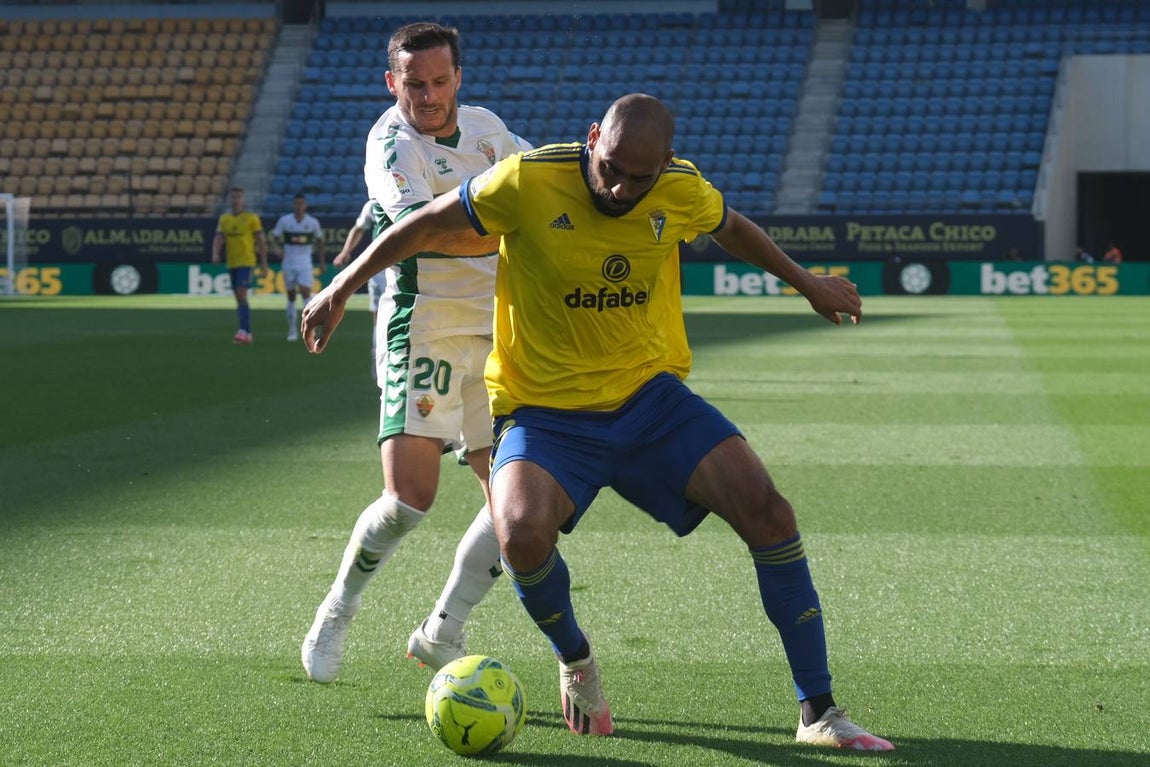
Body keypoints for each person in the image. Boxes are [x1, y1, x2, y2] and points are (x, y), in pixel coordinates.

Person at [300, 93, 894, 751]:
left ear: (665, 164)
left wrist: (806, 281)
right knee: (520, 530)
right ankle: (575, 656)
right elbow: (425, 223)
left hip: (649, 401)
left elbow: (731, 226)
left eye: (641, 177)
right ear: (591, 140)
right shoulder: (529, 180)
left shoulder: (679, 189)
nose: (620, 188)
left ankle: (819, 711)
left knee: (768, 510)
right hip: (546, 413)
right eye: (610, 167)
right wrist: (340, 286)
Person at [300, 22, 530, 685]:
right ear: (391, 82)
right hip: (422, 323)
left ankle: (443, 628)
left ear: (459, 77)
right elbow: (421, 235)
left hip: (499, 333)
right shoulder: (390, 143)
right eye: (413, 83)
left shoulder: (491, 129)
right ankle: (338, 609)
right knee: (409, 499)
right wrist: (510, 234)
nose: (427, 96)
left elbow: (541, 179)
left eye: (438, 82)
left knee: (516, 505)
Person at [332, 200, 389, 377]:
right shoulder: (373, 205)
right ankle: (378, 358)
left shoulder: (411, 197)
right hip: (379, 269)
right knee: (379, 317)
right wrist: (345, 251)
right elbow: (358, 228)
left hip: (406, 266)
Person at [211, 186, 268, 344]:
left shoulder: (251, 218)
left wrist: (264, 263)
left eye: (238, 197)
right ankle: (247, 332)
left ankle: (243, 331)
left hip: (247, 261)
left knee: (242, 293)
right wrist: (215, 253)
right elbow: (219, 238)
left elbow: (261, 242)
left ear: (243, 199)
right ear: (230, 199)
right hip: (232, 262)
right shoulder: (225, 219)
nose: (236, 200)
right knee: (239, 297)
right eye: (233, 197)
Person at [270, 193, 326, 342]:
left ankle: (310, 329)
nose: (299, 206)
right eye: (296, 203)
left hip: (304, 263)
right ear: (293, 205)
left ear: (305, 205)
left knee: (306, 295)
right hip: (288, 262)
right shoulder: (285, 221)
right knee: (291, 296)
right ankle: (292, 330)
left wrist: (321, 262)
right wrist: (276, 248)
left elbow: (320, 241)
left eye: (301, 203)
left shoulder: (312, 222)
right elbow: (274, 238)